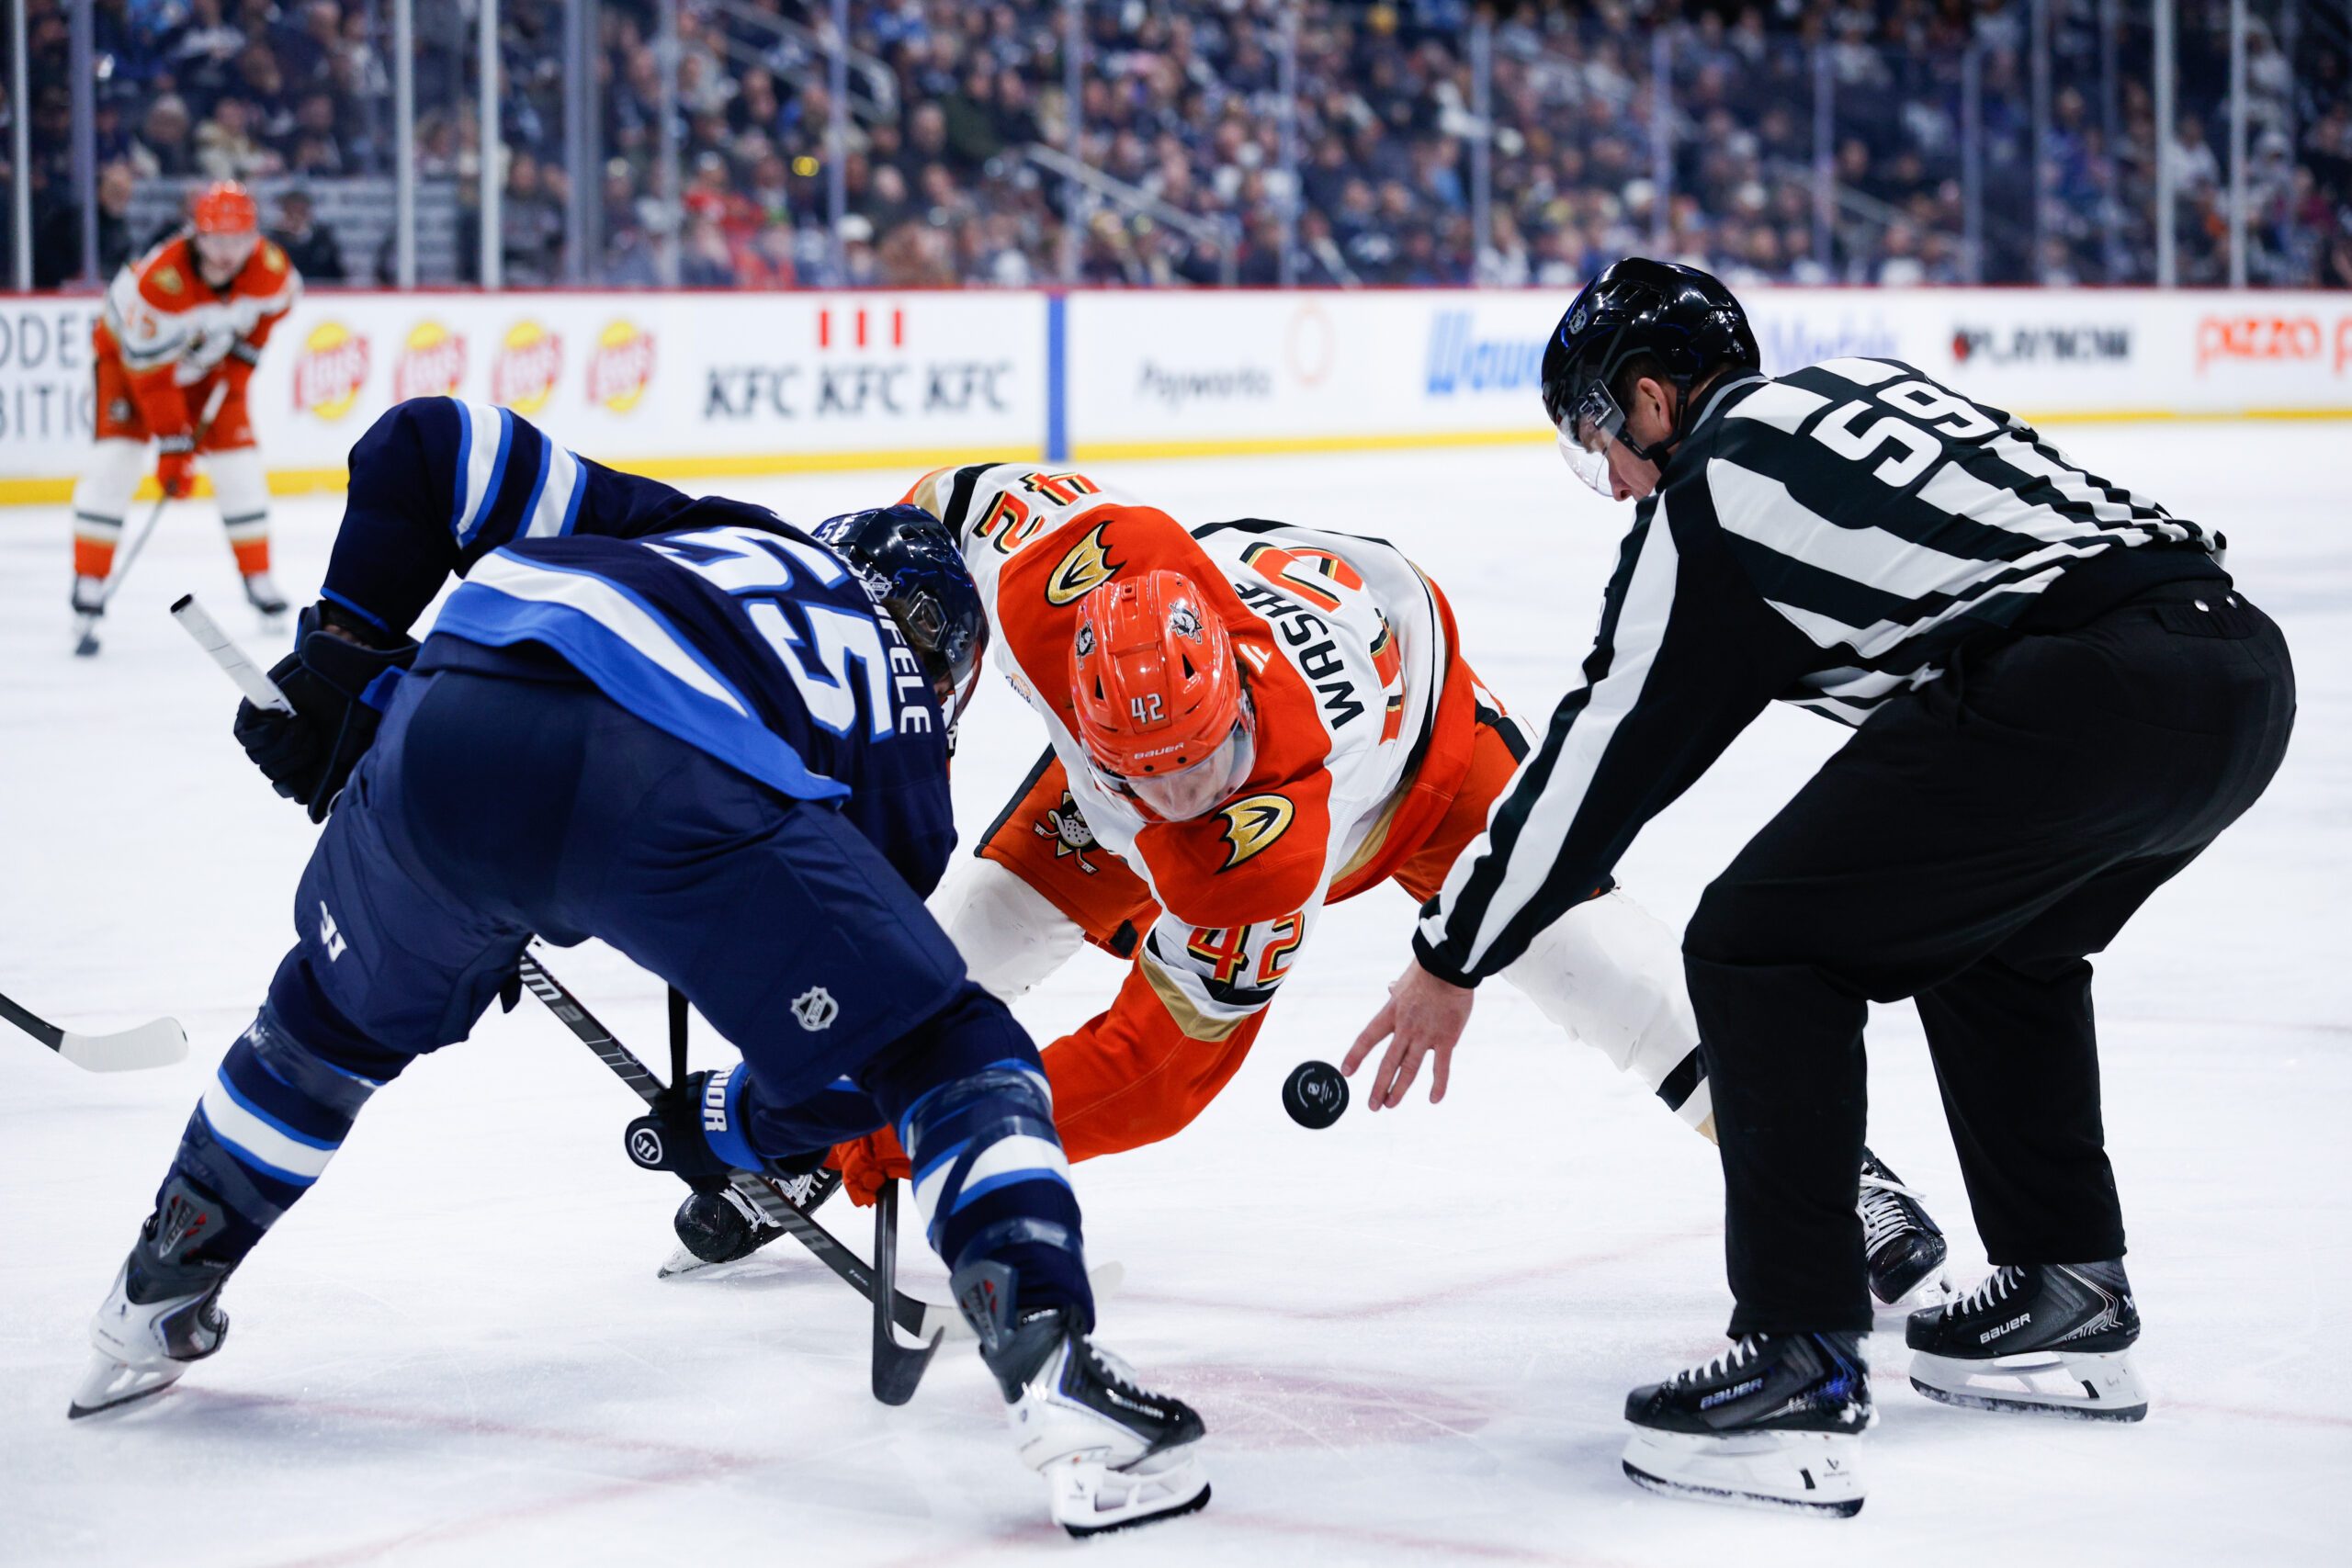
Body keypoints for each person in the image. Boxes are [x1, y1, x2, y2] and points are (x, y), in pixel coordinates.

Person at [67, 399, 1210, 1540]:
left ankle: (157, 1287)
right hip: (663, 775)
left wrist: (350, 661)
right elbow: (842, 1073)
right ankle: (1055, 1366)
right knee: (951, 1048)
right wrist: (724, 1126)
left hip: (453, 710)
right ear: (953, 669)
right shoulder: (907, 742)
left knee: (323, 1028)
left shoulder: (712, 529)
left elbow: (426, 446)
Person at [1344, 259, 2295, 1514]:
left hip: (2084, 687)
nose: (1614, 481)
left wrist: (1450, 953)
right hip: (2235, 669)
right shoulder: (1860, 390)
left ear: (1649, 400)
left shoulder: (1710, 493)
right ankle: (2070, 1292)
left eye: (1600, 441)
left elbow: (1598, 761)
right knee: (2002, 941)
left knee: (1756, 944)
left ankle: (1799, 1355)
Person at [686, 463, 1948, 1315]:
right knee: (947, 951)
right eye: (1150, 772)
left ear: (1234, 706)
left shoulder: (1253, 849)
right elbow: (943, 507)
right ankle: (805, 1106)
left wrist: (896, 1133)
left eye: (1201, 766)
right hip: (1181, 706)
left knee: (1596, 965)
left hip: (1429, 748)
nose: (1177, 799)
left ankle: (1829, 1162)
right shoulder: (1055, 571)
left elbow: (1153, 1068)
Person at [70, 180, 300, 642]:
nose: (228, 253)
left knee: (241, 468)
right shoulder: (161, 282)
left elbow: (279, 307)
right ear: (197, 235)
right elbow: (152, 378)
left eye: (239, 240)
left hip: (209, 367)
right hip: (130, 365)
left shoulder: (270, 268)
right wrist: (174, 446)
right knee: (115, 463)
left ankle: (259, 579)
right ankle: (89, 580)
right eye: (217, 240)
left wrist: (245, 359)